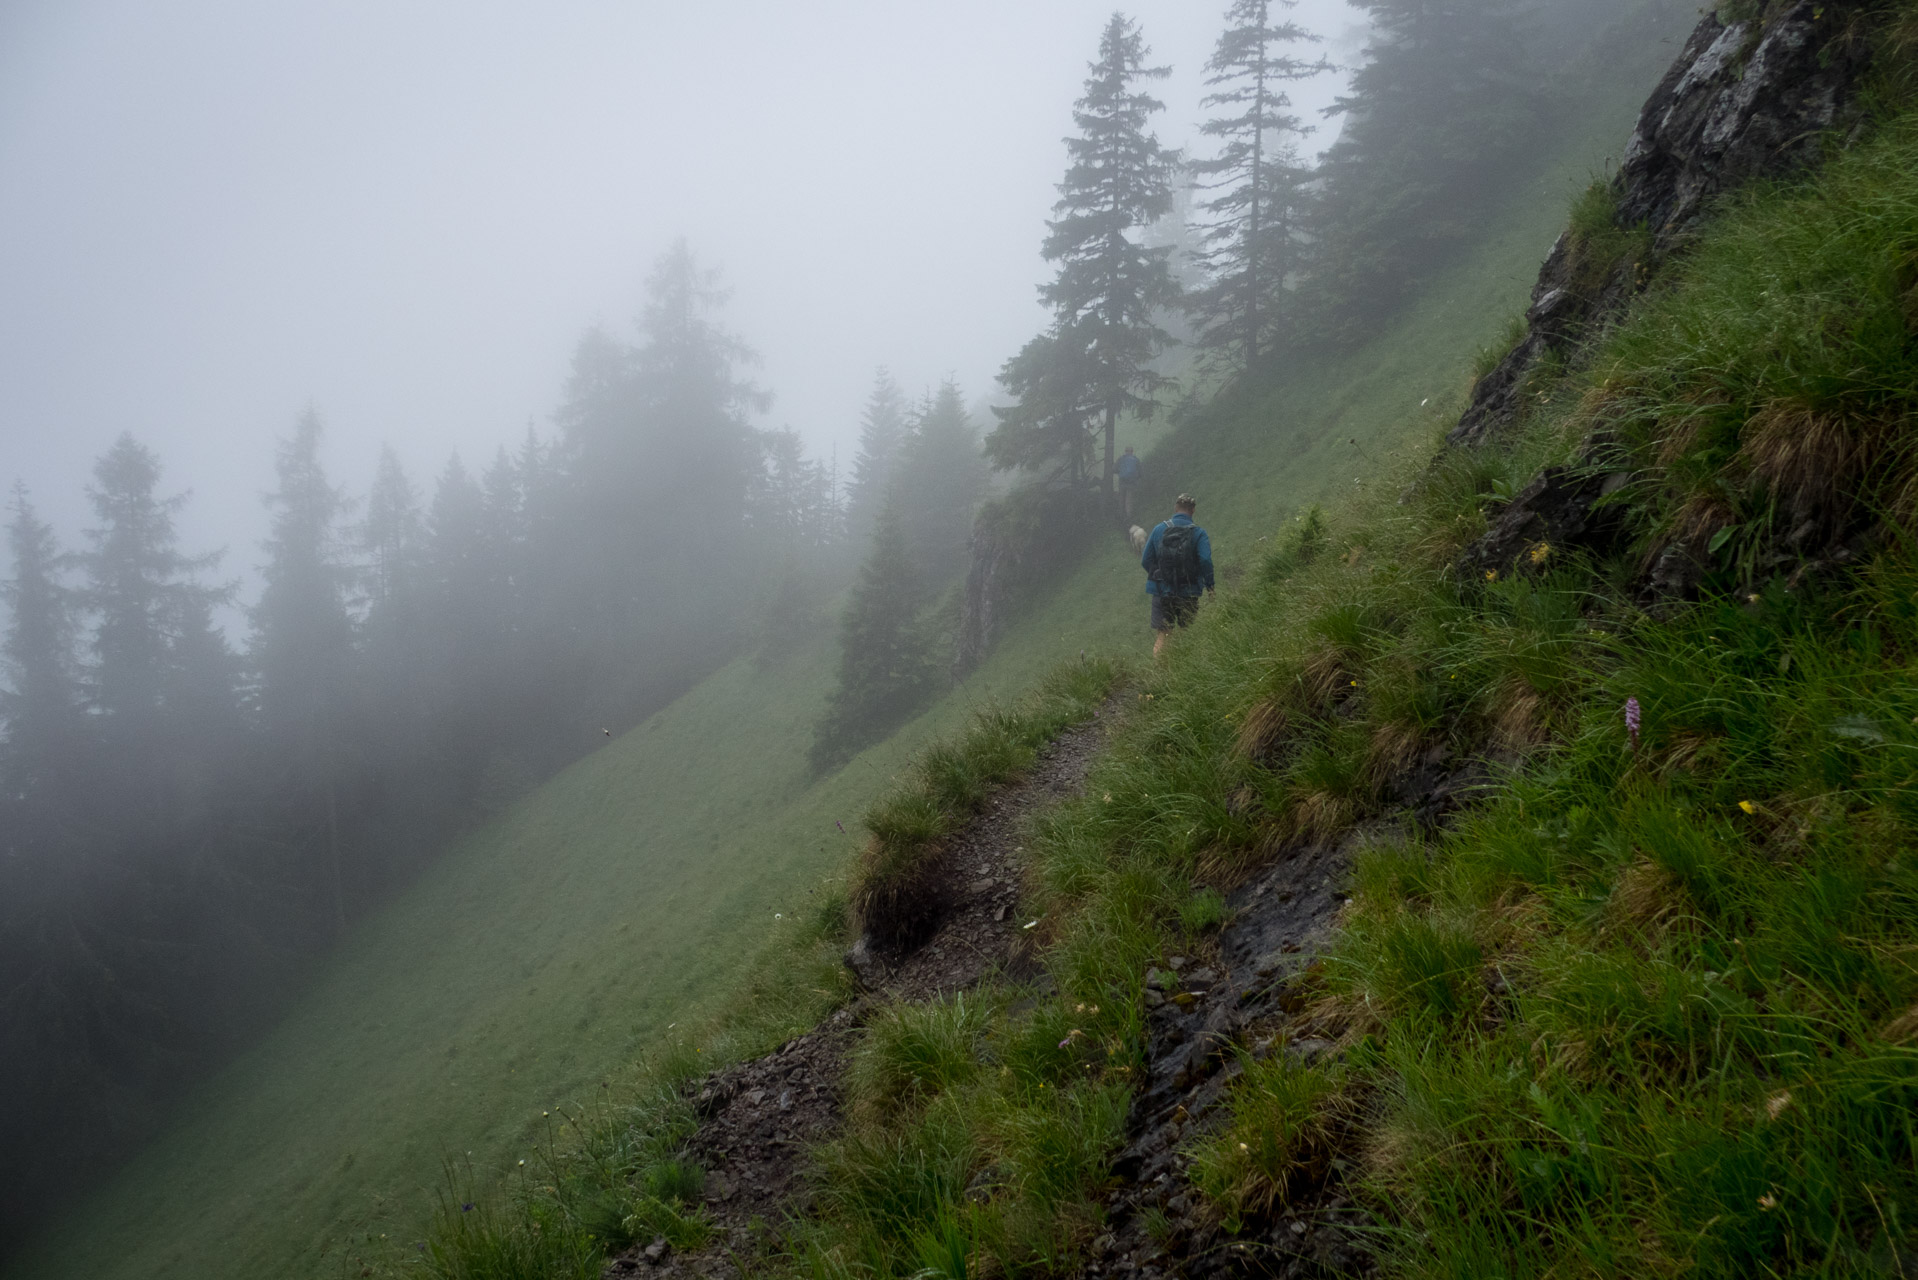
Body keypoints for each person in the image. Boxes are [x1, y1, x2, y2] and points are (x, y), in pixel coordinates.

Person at [1140, 493, 1214, 657]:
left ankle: (1158, 674)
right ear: (1193, 510)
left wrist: (1160, 576)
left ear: (1176, 508)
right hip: (1188, 593)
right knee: (1185, 633)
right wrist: (1209, 586)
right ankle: (1180, 675)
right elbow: (1205, 560)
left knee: (1163, 635)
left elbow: (1146, 559)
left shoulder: (1159, 529)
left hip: (1161, 592)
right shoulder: (1199, 533)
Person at [1115, 446, 1143, 519]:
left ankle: (1121, 515)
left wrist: (1120, 472)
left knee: (1121, 498)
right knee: (1129, 500)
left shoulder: (1121, 459)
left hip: (1122, 481)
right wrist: (1136, 478)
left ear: (1125, 451)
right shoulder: (1136, 459)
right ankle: (1129, 516)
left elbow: (1114, 469)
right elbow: (1140, 472)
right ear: (1132, 451)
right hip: (1131, 482)